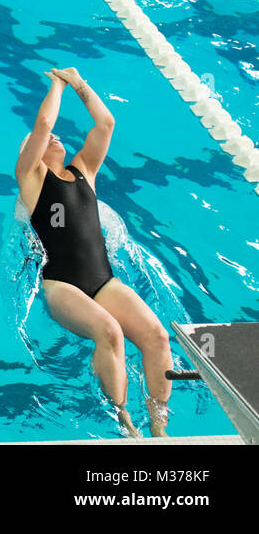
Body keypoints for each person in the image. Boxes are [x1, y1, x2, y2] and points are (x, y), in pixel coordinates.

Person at [16, 67, 171, 437]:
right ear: (31, 154)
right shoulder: (32, 179)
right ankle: (126, 423)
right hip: (61, 286)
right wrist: (56, 85)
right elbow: (42, 123)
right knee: (110, 332)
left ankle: (160, 426)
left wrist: (80, 83)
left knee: (157, 336)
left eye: (55, 136)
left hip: (103, 281)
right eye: (41, 140)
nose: (52, 136)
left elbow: (106, 123)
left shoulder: (84, 169)